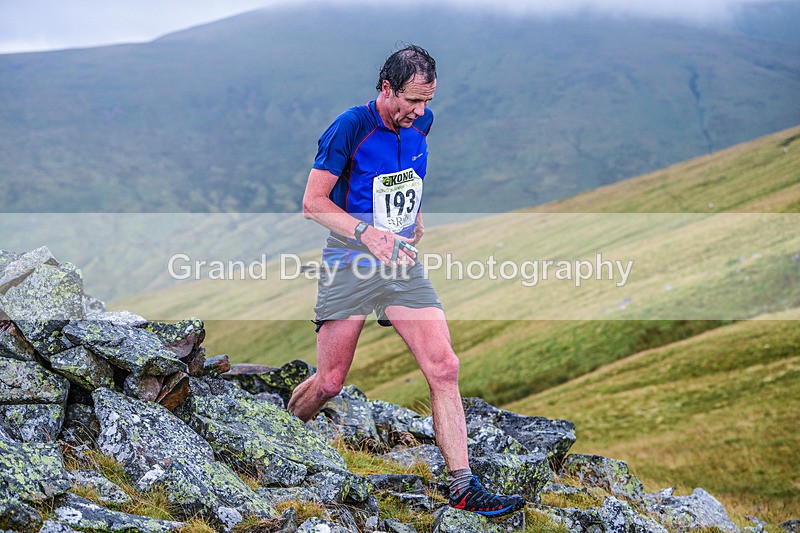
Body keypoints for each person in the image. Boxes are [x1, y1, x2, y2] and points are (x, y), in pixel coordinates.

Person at [287, 44, 525, 517]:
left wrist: (414, 216)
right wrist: (367, 232)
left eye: (427, 102)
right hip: (351, 262)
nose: (420, 112)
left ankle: (463, 486)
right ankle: (277, 433)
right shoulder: (350, 127)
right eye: (411, 100)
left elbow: (403, 174)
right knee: (331, 382)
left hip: (401, 264)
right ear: (386, 88)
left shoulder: (422, 124)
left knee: (445, 367)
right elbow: (313, 202)